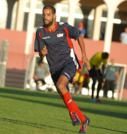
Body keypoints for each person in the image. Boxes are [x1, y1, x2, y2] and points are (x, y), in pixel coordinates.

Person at [34, 5, 90, 133]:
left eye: (48, 14)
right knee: (65, 96)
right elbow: (41, 52)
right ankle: (84, 119)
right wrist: (42, 53)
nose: (45, 17)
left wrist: (84, 55)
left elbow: (79, 36)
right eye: (44, 14)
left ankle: (72, 114)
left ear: (54, 16)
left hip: (68, 63)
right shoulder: (40, 31)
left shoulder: (64, 27)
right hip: (54, 68)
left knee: (61, 85)